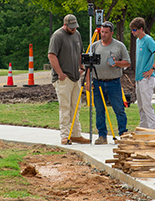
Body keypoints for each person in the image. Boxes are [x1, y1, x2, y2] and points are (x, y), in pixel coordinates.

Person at [48, 14, 90, 145]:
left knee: (75, 107)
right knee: (65, 107)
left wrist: (81, 67)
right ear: (65, 25)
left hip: (75, 77)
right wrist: (60, 73)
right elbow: (51, 55)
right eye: (71, 27)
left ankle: (76, 134)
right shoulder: (57, 36)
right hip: (63, 78)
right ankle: (65, 136)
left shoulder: (77, 34)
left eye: (75, 27)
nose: (73, 29)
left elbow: (80, 53)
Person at [89, 21, 131, 145]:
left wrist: (116, 63)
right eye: (102, 32)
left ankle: (123, 133)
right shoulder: (94, 46)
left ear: (111, 33)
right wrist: (88, 81)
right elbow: (88, 65)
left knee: (119, 109)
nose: (103, 34)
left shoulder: (119, 46)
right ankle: (102, 136)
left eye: (106, 32)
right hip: (98, 82)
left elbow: (127, 62)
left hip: (114, 82)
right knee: (99, 110)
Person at [129, 17, 155, 130]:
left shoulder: (148, 39)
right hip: (139, 78)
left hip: (147, 78)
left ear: (141, 29)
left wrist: (152, 68)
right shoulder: (138, 40)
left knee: (147, 105)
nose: (132, 32)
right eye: (131, 30)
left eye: (134, 30)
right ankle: (143, 128)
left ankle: (153, 130)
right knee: (140, 105)